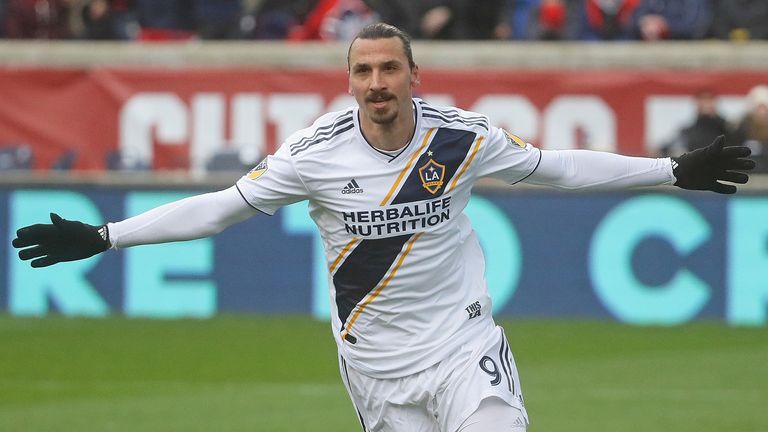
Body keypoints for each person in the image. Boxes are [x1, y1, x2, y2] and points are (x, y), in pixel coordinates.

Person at [11, 23, 755, 432]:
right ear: (350, 82)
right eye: (363, 71)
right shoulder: (313, 156)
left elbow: (557, 167)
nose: (377, 84)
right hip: (376, 368)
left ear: (413, 75)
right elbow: (221, 208)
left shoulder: (458, 138)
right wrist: (109, 236)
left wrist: (670, 172)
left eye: (389, 70)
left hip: (465, 347)